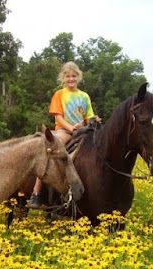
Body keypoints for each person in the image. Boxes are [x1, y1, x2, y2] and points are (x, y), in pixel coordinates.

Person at [28, 62, 101, 208]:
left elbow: (88, 116)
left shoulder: (84, 96)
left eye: (74, 76)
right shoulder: (60, 94)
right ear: (63, 78)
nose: (71, 79)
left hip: (83, 131)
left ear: (78, 77)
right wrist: (71, 128)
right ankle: (36, 193)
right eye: (68, 76)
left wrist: (94, 120)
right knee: (50, 151)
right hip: (64, 130)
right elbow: (58, 117)